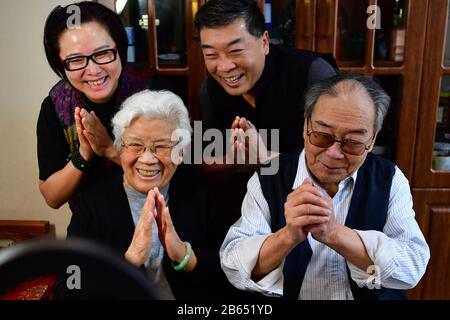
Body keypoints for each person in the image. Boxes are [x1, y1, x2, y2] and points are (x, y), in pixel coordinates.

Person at [220, 74, 430, 300]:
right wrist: (287, 237)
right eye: (322, 136)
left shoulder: (389, 178)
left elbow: (412, 267)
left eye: (353, 142)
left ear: (372, 139)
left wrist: (334, 234)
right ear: (305, 124)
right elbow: (234, 267)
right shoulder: (269, 178)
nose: (333, 154)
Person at [66, 90, 239, 299]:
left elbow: (234, 277)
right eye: (136, 145)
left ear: (181, 152)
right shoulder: (92, 204)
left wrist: (186, 256)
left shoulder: (202, 193)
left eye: (162, 146)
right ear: (120, 148)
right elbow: (69, 288)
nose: (147, 159)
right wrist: (129, 261)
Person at [194, 0, 338, 162]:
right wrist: (231, 159)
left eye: (235, 51)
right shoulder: (210, 91)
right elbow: (205, 161)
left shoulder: (313, 75)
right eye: (211, 55)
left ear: (264, 42)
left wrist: (265, 156)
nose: (225, 67)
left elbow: (339, 159)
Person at [37, 2, 148, 210]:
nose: (94, 70)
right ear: (61, 64)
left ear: (119, 49)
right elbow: (52, 197)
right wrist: (84, 154)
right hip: (89, 228)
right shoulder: (56, 106)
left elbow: (176, 173)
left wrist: (109, 149)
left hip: (155, 219)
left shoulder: (152, 92)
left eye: (103, 53)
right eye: (76, 60)